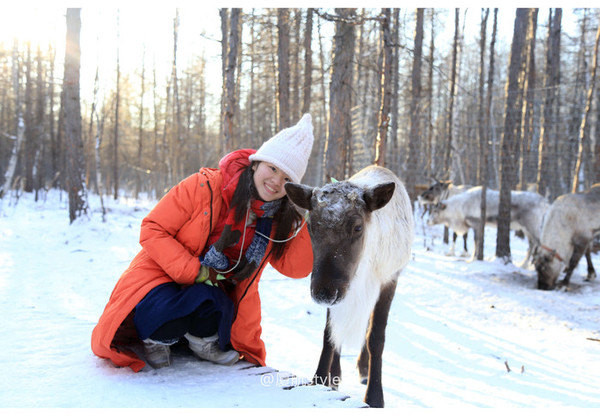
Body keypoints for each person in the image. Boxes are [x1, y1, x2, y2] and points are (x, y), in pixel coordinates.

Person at [91, 114, 315, 371]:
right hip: (162, 278)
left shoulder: (278, 218)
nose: (276, 181)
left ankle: (201, 341)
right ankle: (157, 338)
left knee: (211, 302)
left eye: (287, 179)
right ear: (256, 164)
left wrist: (312, 217)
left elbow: (296, 268)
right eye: (273, 168)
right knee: (170, 311)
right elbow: (152, 228)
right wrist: (195, 271)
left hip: (214, 291)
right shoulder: (204, 186)